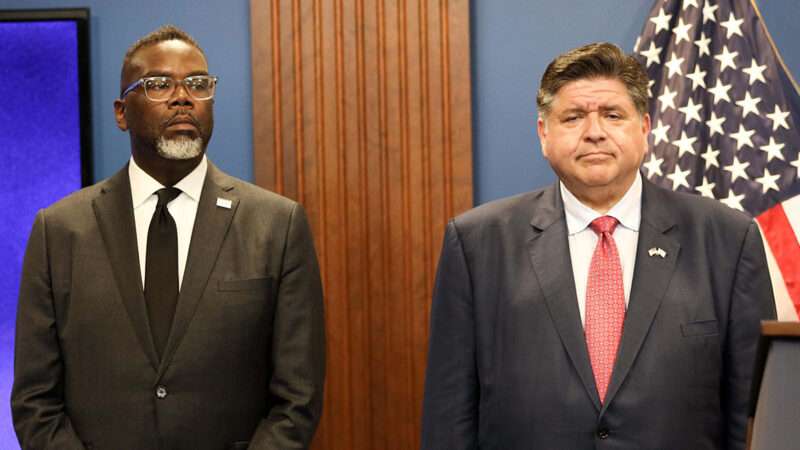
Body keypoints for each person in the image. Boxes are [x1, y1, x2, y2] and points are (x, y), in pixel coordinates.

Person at [421, 42, 776, 450]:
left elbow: (753, 417)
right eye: (573, 117)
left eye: (612, 115)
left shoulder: (728, 239)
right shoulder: (476, 245)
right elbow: (449, 417)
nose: (594, 132)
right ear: (544, 134)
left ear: (644, 128)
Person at [12, 25, 325, 450]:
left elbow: (297, 399)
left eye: (198, 84)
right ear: (121, 112)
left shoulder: (277, 225)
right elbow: (35, 400)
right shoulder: (59, 231)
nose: (183, 97)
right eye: (159, 84)